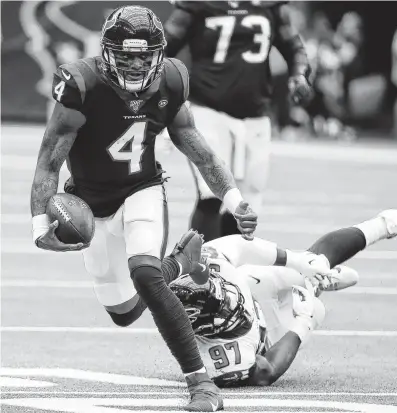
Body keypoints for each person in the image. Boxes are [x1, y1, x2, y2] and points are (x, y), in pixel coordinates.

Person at [29, 5, 259, 411]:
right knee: (122, 312)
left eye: (144, 54)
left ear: (158, 52)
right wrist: (38, 226)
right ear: (107, 52)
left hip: (142, 190)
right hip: (88, 203)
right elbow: (49, 159)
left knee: (145, 274)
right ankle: (178, 265)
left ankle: (200, 384)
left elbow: (200, 150)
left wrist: (235, 201)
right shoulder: (81, 83)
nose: (136, 64)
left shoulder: (170, 79)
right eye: (127, 54)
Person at [169, 208, 397, 387]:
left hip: (251, 283)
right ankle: (310, 291)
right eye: (224, 305)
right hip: (258, 335)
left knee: (310, 264)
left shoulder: (212, 260)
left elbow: (245, 245)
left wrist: (300, 262)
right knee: (314, 309)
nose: (229, 301)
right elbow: (265, 372)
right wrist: (304, 321)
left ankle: (386, 224)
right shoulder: (213, 357)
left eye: (222, 293)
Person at [164, 1, 312, 241]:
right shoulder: (199, 4)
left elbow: (294, 47)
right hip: (207, 108)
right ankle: (205, 269)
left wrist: (299, 74)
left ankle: (230, 266)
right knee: (211, 193)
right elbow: (164, 47)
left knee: (247, 201)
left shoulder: (270, 6)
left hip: (255, 112)